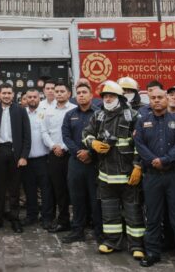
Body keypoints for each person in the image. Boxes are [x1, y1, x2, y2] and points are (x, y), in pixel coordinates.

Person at [82, 80, 144, 258]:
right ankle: (111, 242)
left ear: (120, 98)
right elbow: (86, 134)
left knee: (133, 211)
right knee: (109, 212)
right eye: (105, 96)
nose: (108, 99)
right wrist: (92, 143)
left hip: (128, 174)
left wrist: (138, 166)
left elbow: (140, 143)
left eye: (111, 96)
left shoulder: (133, 116)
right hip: (106, 175)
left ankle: (137, 245)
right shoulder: (98, 115)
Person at [134, 86, 175, 270]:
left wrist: (165, 160)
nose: (157, 100)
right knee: (152, 217)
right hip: (152, 176)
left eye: (160, 97)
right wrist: (153, 161)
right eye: (153, 98)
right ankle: (152, 253)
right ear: (149, 101)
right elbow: (139, 144)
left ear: (166, 99)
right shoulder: (142, 121)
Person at [60, 82, 101, 244]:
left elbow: (103, 137)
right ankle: (77, 231)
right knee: (76, 198)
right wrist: (79, 153)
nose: (82, 95)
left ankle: (99, 232)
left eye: (84, 92)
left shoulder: (100, 114)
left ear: (91, 95)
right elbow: (66, 136)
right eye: (79, 93)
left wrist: (90, 153)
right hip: (76, 162)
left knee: (95, 199)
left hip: (94, 162)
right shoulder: (70, 115)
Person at [0, 82, 31, 233]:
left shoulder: (20, 110)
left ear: (13, 95)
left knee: (14, 189)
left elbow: (27, 135)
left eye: (9, 93)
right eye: (4, 93)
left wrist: (24, 156)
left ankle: (15, 219)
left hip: (15, 154)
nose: (6, 96)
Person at [41, 82, 76, 233]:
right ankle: (63, 221)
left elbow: (75, 134)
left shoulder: (74, 109)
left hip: (71, 154)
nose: (59, 93)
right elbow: (44, 132)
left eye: (62, 91)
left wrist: (64, 147)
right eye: (57, 91)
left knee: (74, 188)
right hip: (54, 154)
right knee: (59, 189)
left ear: (69, 94)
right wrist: (53, 146)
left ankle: (79, 220)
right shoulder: (47, 111)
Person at [21, 88, 53, 228]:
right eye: (30, 97)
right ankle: (31, 216)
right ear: (25, 99)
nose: (32, 99)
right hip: (26, 159)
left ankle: (46, 217)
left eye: (35, 97)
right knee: (29, 189)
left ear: (39, 98)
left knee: (46, 190)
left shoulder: (46, 113)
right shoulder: (22, 114)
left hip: (43, 158)